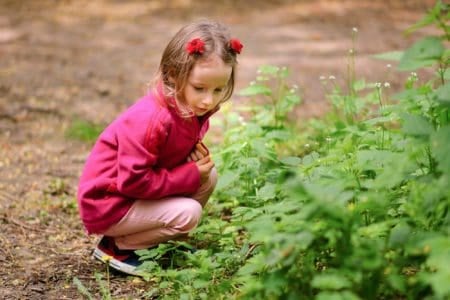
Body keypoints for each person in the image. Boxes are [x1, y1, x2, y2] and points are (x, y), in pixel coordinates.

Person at [77, 20, 243, 276]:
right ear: (174, 74)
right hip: (110, 203)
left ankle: (158, 244)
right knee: (189, 213)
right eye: (200, 88)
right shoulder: (152, 119)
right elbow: (132, 181)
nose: (209, 99)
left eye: (219, 89)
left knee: (208, 176)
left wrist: (192, 163)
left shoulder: (191, 108)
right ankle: (119, 247)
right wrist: (188, 174)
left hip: (133, 195)